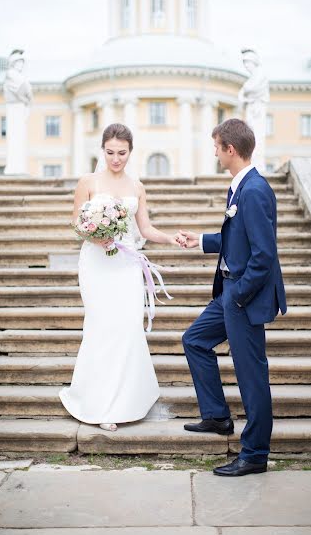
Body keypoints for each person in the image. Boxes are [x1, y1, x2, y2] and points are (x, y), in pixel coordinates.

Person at [179, 118, 287, 477]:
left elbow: (263, 255)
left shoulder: (254, 190)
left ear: (230, 149)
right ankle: (217, 416)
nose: (214, 152)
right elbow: (238, 238)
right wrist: (202, 240)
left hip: (242, 295)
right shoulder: (240, 186)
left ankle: (255, 453)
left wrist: (238, 296)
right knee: (194, 340)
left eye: (216, 146)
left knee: (251, 375)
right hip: (229, 289)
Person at [59, 123, 181, 431]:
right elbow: (75, 223)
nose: (116, 159)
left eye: (122, 153)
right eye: (111, 152)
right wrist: (93, 234)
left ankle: (125, 402)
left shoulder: (136, 187)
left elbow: (145, 230)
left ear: (130, 152)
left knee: (127, 327)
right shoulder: (88, 181)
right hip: (96, 263)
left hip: (126, 264)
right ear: (103, 150)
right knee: (101, 326)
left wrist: (171, 238)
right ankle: (98, 403)